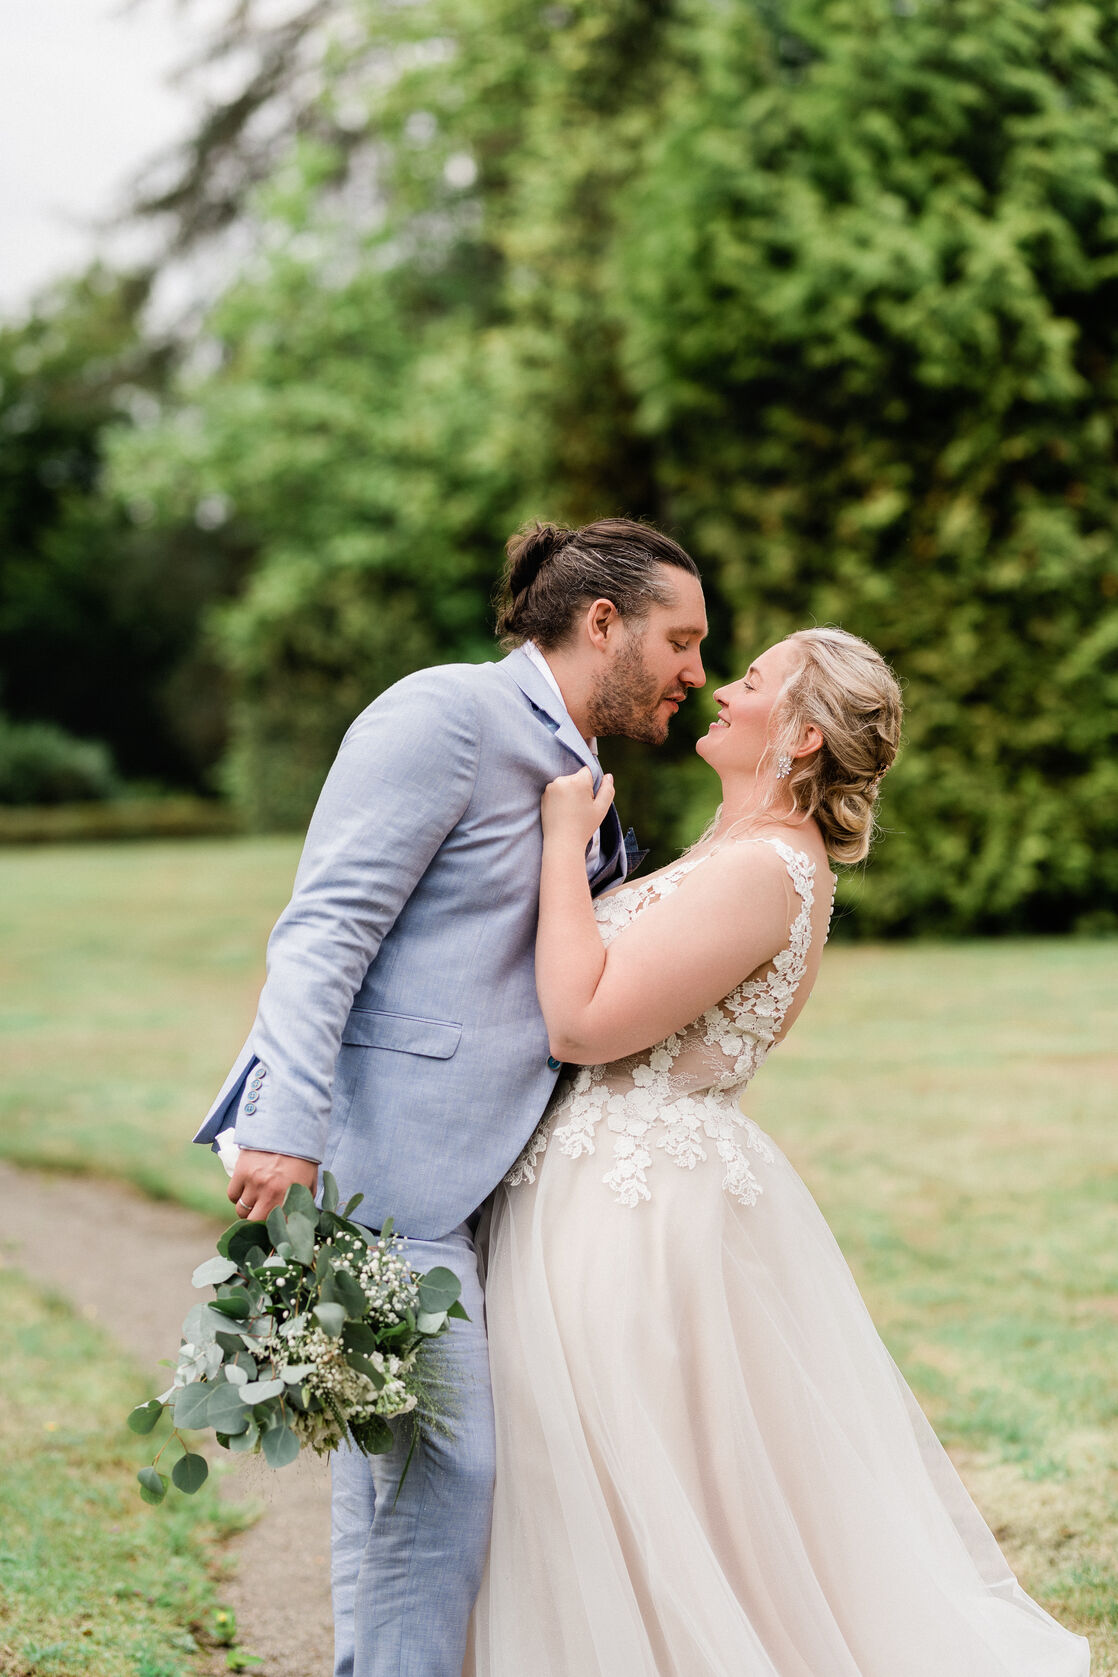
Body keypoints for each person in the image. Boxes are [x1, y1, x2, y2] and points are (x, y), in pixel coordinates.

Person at [467, 627, 1090, 1677]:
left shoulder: (765, 869)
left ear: (800, 735)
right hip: (600, 1187)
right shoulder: (732, 850)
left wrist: (556, 845)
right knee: (613, 1485)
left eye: (749, 681)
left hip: (635, 1210)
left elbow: (580, 1025)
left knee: (626, 1481)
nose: (717, 688)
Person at [192, 516, 707, 1677]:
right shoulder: (443, 716)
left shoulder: (579, 768)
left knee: (408, 1484)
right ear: (601, 623)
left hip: (490, 1180)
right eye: (681, 641)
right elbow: (325, 925)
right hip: (385, 1172)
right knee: (437, 1466)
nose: (695, 673)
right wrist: (283, 1123)